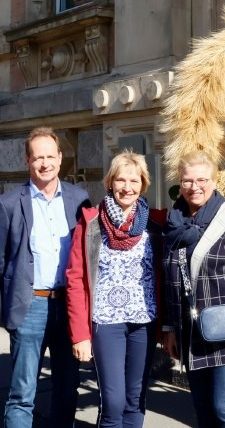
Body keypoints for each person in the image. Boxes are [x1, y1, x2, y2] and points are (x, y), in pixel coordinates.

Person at [161, 151, 225, 428]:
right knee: (203, 406)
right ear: (179, 183)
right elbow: (172, 281)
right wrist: (170, 329)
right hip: (190, 331)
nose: (194, 186)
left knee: (224, 406)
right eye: (187, 181)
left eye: (202, 180)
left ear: (214, 180)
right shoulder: (174, 222)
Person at [65, 150, 166, 427]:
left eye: (134, 181)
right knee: (113, 402)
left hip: (143, 322)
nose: (127, 187)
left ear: (143, 184)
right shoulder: (90, 224)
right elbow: (75, 280)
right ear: (110, 182)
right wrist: (80, 336)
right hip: (105, 323)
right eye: (121, 180)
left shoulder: (156, 224)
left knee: (135, 400)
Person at [0, 126, 90, 428]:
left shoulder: (79, 199)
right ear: (27, 160)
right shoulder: (10, 204)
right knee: (22, 392)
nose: (45, 163)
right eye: (38, 157)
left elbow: (88, 257)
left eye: (50, 156)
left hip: (68, 307)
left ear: (60, 157)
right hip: (30, 307)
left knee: (67, 389)